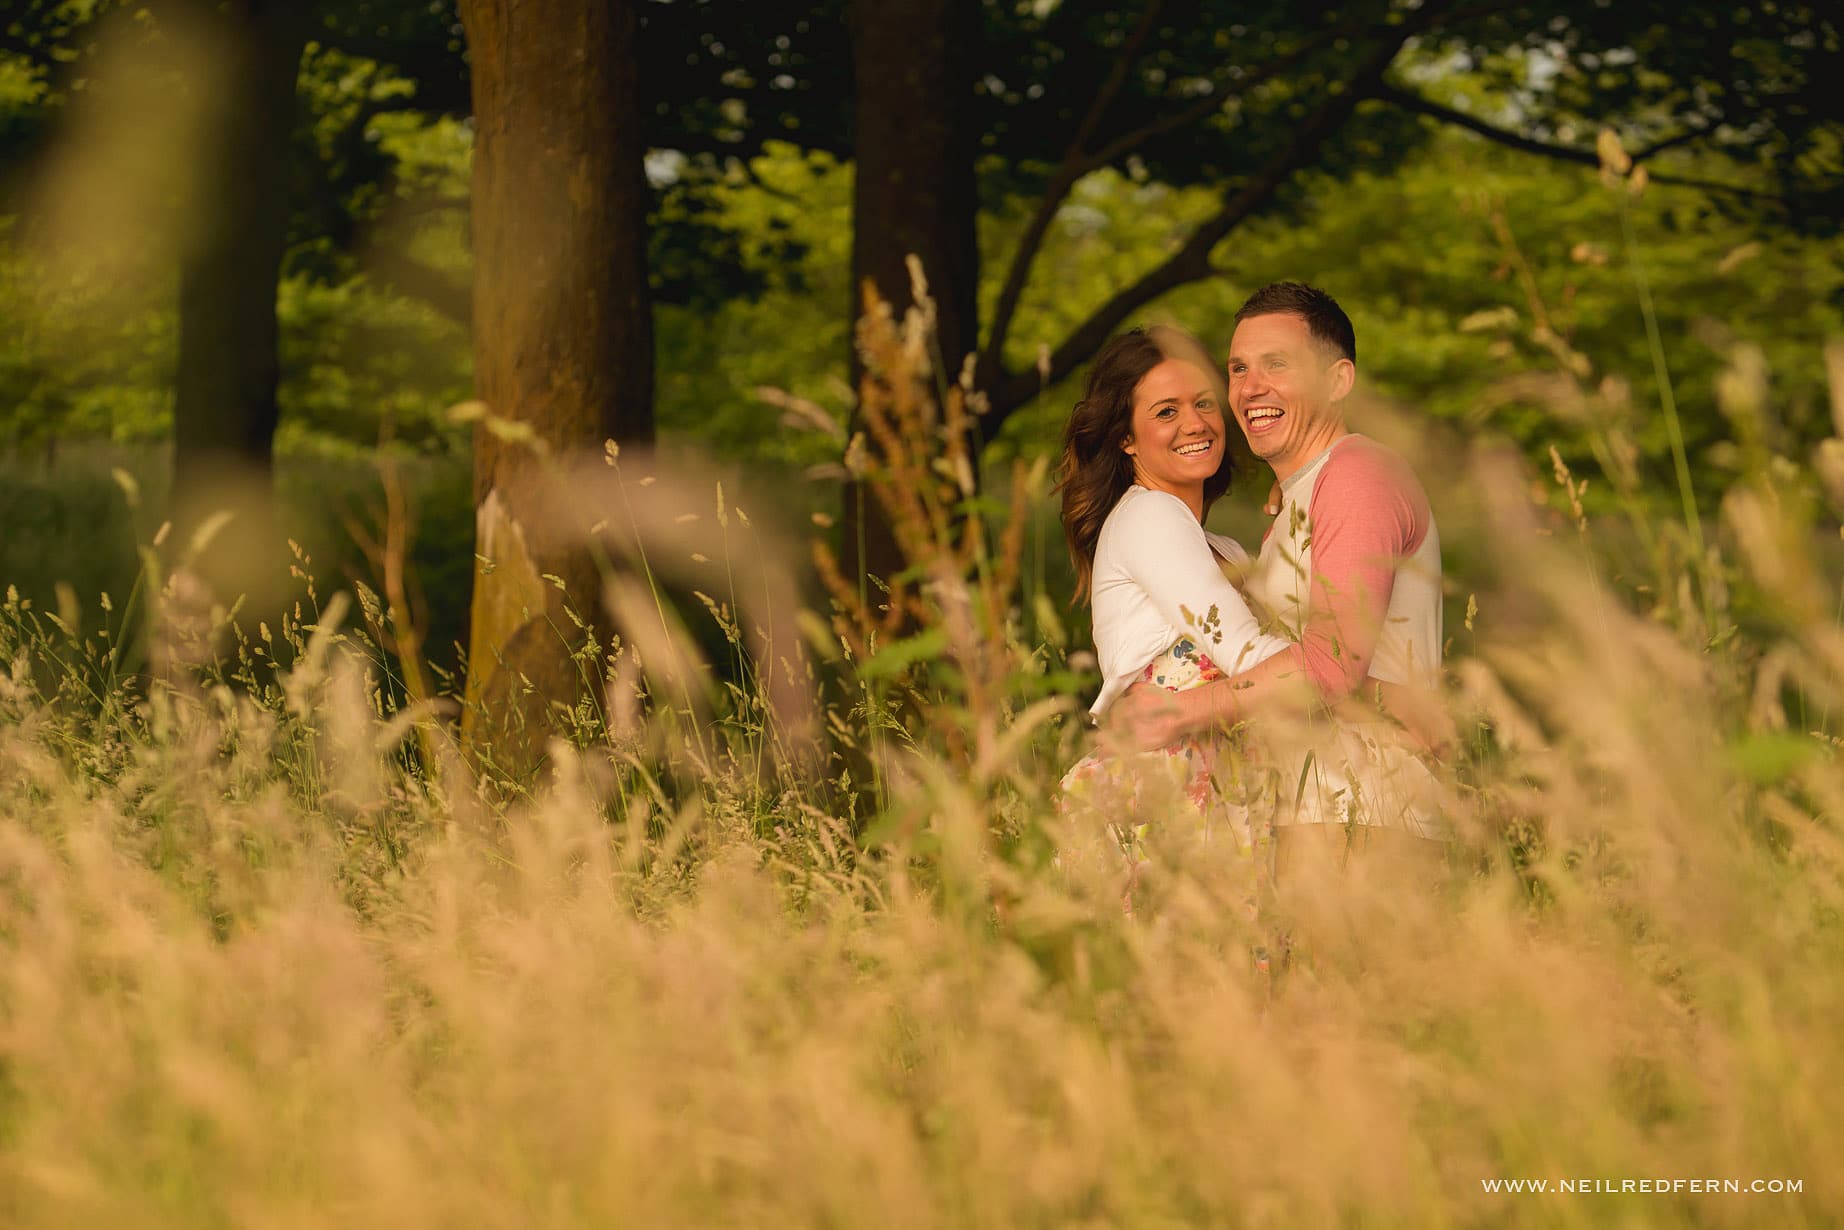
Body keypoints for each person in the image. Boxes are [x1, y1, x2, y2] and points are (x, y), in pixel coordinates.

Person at [1114, 283, 1446, 859]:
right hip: (1307, 809)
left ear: (1338, 381)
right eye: (1239, 368)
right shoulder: (1303, 497)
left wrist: (1180, 711)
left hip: (1366, 811)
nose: (1249, 388)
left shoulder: (1359, 475)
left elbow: (1331, 663)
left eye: (1278, 365)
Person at [1056, 325, 1295, 853]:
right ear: (1126, 436)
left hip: (1227, 791)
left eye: (1205, 403)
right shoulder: (1149, 514)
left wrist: (1300, 486)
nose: (1196, 423)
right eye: (1166, 411)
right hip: (1164, 799)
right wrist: (1373, 688)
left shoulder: (1223, 549)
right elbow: (1251, 656)